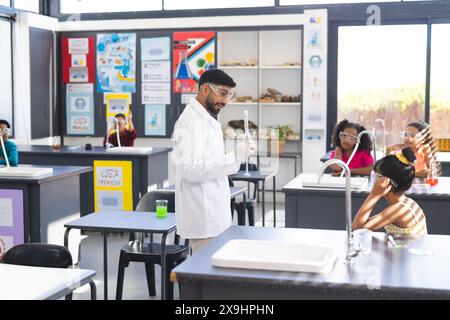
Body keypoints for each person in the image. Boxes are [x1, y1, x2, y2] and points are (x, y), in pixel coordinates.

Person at [172, 69, 257, 254]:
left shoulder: (204, 119)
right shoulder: (191, 122)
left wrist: (237, 154)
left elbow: (209, 161)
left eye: (229, 95)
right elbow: (190, 170)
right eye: (222, 93)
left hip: (213, 215)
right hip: (204, 218)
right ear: (205, 90)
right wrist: (234, 156)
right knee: (204, 277)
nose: (225, 101)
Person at [352, 147, 427, 236]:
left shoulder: (399, 210)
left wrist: (374, 195)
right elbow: (362, 225)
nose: (374, 180)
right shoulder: (407, 202)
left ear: (388, 182)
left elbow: (357, 229)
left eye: (376, 176)